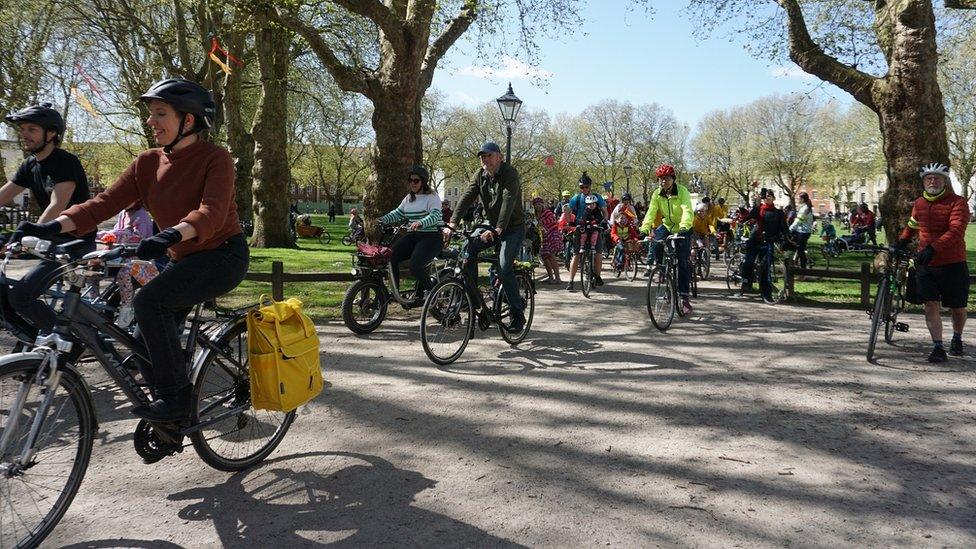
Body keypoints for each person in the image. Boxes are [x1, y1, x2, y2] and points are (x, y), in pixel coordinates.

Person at [14, 78, 246, 422]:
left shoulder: (216, 159)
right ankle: (172, 415)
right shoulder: (147, 163)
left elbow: (210, 213)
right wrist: (53, 225)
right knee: (140, 340)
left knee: (148, 302)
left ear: (189, 120)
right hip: (180, 257)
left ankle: (177, 402)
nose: (150, 121)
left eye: (159, 113)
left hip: (221, 256)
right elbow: (102, 204)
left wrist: (169, 236)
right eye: (150, 114)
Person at [1, 103, 95, 336]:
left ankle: (67, 343)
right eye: (22, 129)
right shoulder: (30, 164)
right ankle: (36, 345)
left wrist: (31, 233)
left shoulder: (65, 162)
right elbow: (3, 195)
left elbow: (57, 205)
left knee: (21, 296)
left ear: (51, 133)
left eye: (31, 129)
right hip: (48, 241)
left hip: (74, 242)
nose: (24, 135)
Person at [447, 141, 526, 331]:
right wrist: (452, 223)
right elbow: (466, 196)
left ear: (499, 157)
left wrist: (498, 229)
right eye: (483, 156)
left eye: (489, 155)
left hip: (512, 228)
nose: (485, 159)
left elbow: (508, 200)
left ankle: (517, 314)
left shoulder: (510, 173)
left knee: (504, 267)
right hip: (490, 225)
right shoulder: (480, 175)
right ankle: (473, 301)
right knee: (468, 248)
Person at [896, 163, 969, 362]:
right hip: (926, 263)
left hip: (952, 262)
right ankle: (938, 347)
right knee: (930, 304)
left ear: (945, 181)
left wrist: (933, 248)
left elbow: (956, 231)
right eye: (929, 178)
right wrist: (903, 240)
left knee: (958, 307)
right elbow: (913, 223)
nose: (933, 181)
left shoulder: (958, 202)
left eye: (937, 178)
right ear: (923, 181)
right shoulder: (919, 203)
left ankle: (957, 337)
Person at [378, 165, 443, 306]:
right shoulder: (409, 198)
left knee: (415, 266)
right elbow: (398, 213)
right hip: (414, 236)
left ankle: (433, 293)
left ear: (423, 182)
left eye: (416, 180)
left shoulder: (432, 197)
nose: (412, 183)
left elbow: (435, 215)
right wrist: (382, 219)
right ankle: (395, 293)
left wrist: (421, 222)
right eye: (410, 180)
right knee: (391, 256)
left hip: (431, 237)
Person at [639, 163, 694, 315]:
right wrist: (643, 230)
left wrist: (684, 227)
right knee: (656, 242)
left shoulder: (682, 191)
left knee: (682, 261)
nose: (664, 181)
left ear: (673, 179)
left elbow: (687, 210)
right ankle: (662, 269)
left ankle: (684, 298)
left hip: (683, 227)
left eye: (667, 178)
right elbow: (651, 212)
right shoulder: (657, 193)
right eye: (661, 179)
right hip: (667, 226)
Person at [739, 188, 788, 299]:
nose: (767, 197)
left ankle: (766, 294)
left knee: (765, 269)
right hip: (756, 239)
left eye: (770, 195)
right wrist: (756, 203)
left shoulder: (779, 213)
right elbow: (750, 216)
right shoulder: (759, 209)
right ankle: (746, 282)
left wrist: (787, 237)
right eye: (765, 196)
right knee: (749, 261)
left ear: (774, 198)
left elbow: (784, 228)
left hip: (769, 242)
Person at [565, 172, 609, 290]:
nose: (584, 189)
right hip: (581, 226)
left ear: (590, 187)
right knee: (576, 254)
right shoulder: (577, 198)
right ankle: (571, 281)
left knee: (598, 253)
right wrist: (569, 222)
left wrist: (605, 222)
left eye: (586, 187)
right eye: (581, 187)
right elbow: (568, 211)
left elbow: (604, 211)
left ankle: (598, 276)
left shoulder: (597, 197)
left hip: (595, 226)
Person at [532, 197, 562, 284]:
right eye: (536, 205)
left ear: (542, 204)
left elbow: (552, 221)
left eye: (539, 204)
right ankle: (550, 277)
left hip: (552, 236)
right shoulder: (535, 214)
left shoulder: (547, 212)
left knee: (551, 256)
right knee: (545, 257)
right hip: (543, 238)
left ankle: (557, 278)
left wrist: (542, 222)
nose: (538, 206)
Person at [789, 192, 814, 268]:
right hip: (800, 230)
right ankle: (794, 262)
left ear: (802, 199)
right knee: (791, 244)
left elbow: (798, 220)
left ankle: (803, 272)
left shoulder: (805, 209)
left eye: (798, 198)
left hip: (804, 232)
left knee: (800, 251)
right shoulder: (803, 207)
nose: (797, 199)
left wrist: (790, 229)